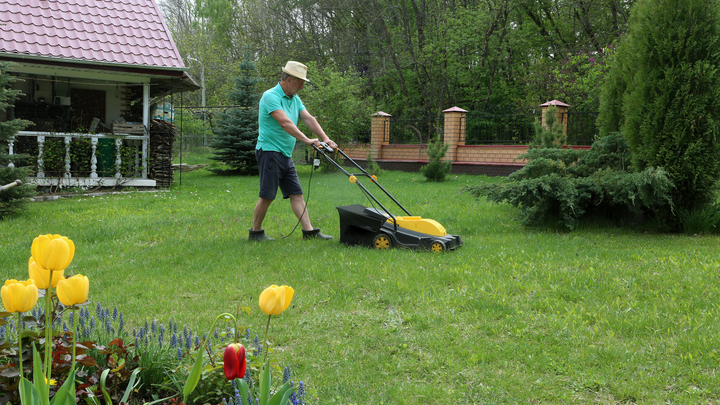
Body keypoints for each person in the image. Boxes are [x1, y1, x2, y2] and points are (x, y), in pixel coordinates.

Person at [249, 61, 338, 242]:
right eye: (300, 82)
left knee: (296, 194)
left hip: (285, 154)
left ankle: (309, 232)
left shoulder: (294, 99)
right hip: (269, 152)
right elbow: (285, 122)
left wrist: (325, 138)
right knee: (267, 196)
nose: (303, 86)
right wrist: (306, 140)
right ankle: (256, 233)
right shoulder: (270, 96)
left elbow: (308, 119)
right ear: (289, 79)